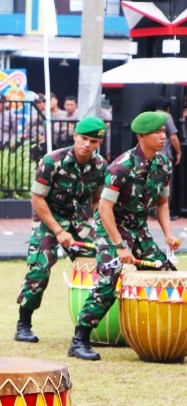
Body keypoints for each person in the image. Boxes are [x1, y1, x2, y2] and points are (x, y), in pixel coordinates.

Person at [69, 111, 180, 361]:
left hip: (138, 229)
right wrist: (119, 246)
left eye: (164, 131)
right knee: (109, 279)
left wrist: (168, 235)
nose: (163, 137)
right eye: (157, 132)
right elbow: (105, 209)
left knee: (166, 273)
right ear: (142, 136)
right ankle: (80, 339)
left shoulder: (163, 165)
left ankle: (159, 336)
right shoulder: (121, 166)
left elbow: (162, 203)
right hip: (112, 228)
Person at [14, 117, 108, 342]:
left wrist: (98, 227)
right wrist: (58, 231)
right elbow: (37, 199)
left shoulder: (100, 166)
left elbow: (97, 201)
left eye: (93, 141)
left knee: (102, 261)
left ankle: (91, 324)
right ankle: (23, 323)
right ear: (75, 136)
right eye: (84, 138)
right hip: (48, 218)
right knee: (40, 267)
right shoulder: (52, 161)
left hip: (77, 220)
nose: (87, 144)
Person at [154, 97, 182, 219]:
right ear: (168, 108)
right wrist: (179, 152)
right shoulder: (166, 116)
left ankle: (152, 211)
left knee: (153, 184)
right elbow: (173, 137)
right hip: (164, 156)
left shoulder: (150, 116)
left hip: (150, 155)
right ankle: (164, 213)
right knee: (166, 185)